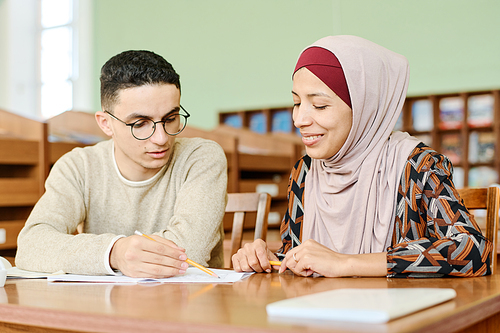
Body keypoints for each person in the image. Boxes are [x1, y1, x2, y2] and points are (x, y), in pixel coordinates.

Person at [232, 35, 493, 278]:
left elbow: (472, 251)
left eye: (320, 105)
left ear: (364, 106)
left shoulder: (417, 165)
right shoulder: (305, 172)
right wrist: (268, 259)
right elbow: (300, 257)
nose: (299, 120)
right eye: (297, 102)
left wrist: (345, 263)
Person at [16, 50, 227, 278]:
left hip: (188, 306)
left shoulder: (202, 157)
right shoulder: (78, 166)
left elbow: (188, 254)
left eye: (170, 119)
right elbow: (31, 245)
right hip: (107, 308)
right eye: (140, 124)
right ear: (106, 124)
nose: (161, 138)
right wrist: (114, 253)